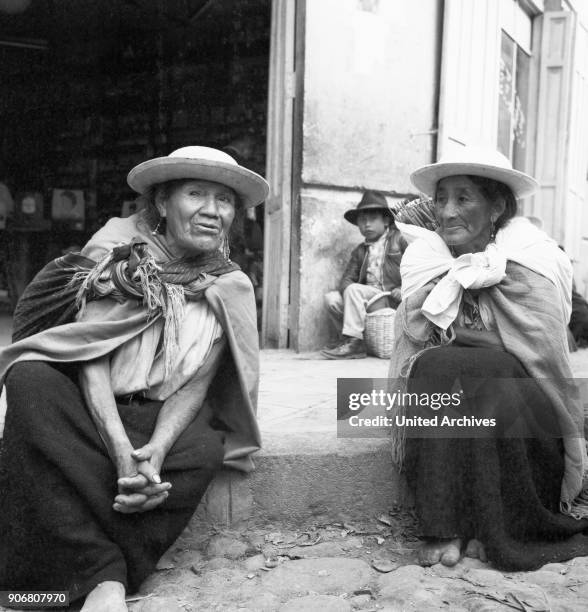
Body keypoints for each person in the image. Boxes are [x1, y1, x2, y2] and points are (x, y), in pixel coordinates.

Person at [0, 146, 269, 611]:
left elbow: (197, 384)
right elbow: (92, 357)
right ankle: (106, 575)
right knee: (30, 381)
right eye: (195, 194)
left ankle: (86, 572)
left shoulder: (230, 285)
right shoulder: (117, 256)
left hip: (159, 417)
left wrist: (156, 451)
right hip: (95, 410)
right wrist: (123, 454)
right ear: (163, 203)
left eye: (224, 200)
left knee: (206, 446)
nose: (211, 210)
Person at [389, 147, 588, 570]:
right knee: (433, 366)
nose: (447, 211)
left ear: (496, 206)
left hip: (526, 409)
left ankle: (502, 526)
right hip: (456, 393)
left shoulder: (532, 259)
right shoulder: (426, 259)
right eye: (441, 199)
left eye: (463, 199)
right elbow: (412, 340)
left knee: (490, 371)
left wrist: (461, 335)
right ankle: (445, 525)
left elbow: (541, 349)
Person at [322, 190, 405, 359]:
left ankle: (354, 343)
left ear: (386, 220)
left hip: (390, 298)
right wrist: (353, 295)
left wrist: (403, 288)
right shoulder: (360, 251)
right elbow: (346, 280)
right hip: (368, 300)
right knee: (332, 299)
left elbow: (417, 268)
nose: (367, 224)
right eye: (362, 220)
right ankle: (351, 340)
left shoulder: (399, 240)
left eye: (373, 219)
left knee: (354, 291)